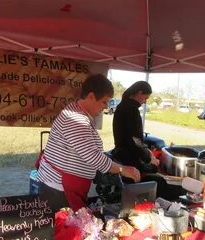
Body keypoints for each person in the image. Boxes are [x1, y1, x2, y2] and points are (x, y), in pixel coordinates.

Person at [36, 74, 141, 211]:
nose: (105, 107)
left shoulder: (79, 113)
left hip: (66, 186)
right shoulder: (75, 119)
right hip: (58, 188)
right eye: (104, 102)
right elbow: (92, 156)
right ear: (91, 96)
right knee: (63, 229)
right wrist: (122, 169)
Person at [112, 81, 184, 200]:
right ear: (139, 92)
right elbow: (135, 140)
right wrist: (148, 157)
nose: (145, 101)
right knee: (139, 191)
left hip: (121, 155)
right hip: (129, 158)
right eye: (145, 97)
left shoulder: (122, 106)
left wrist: (147, 152)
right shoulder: (131, 110)